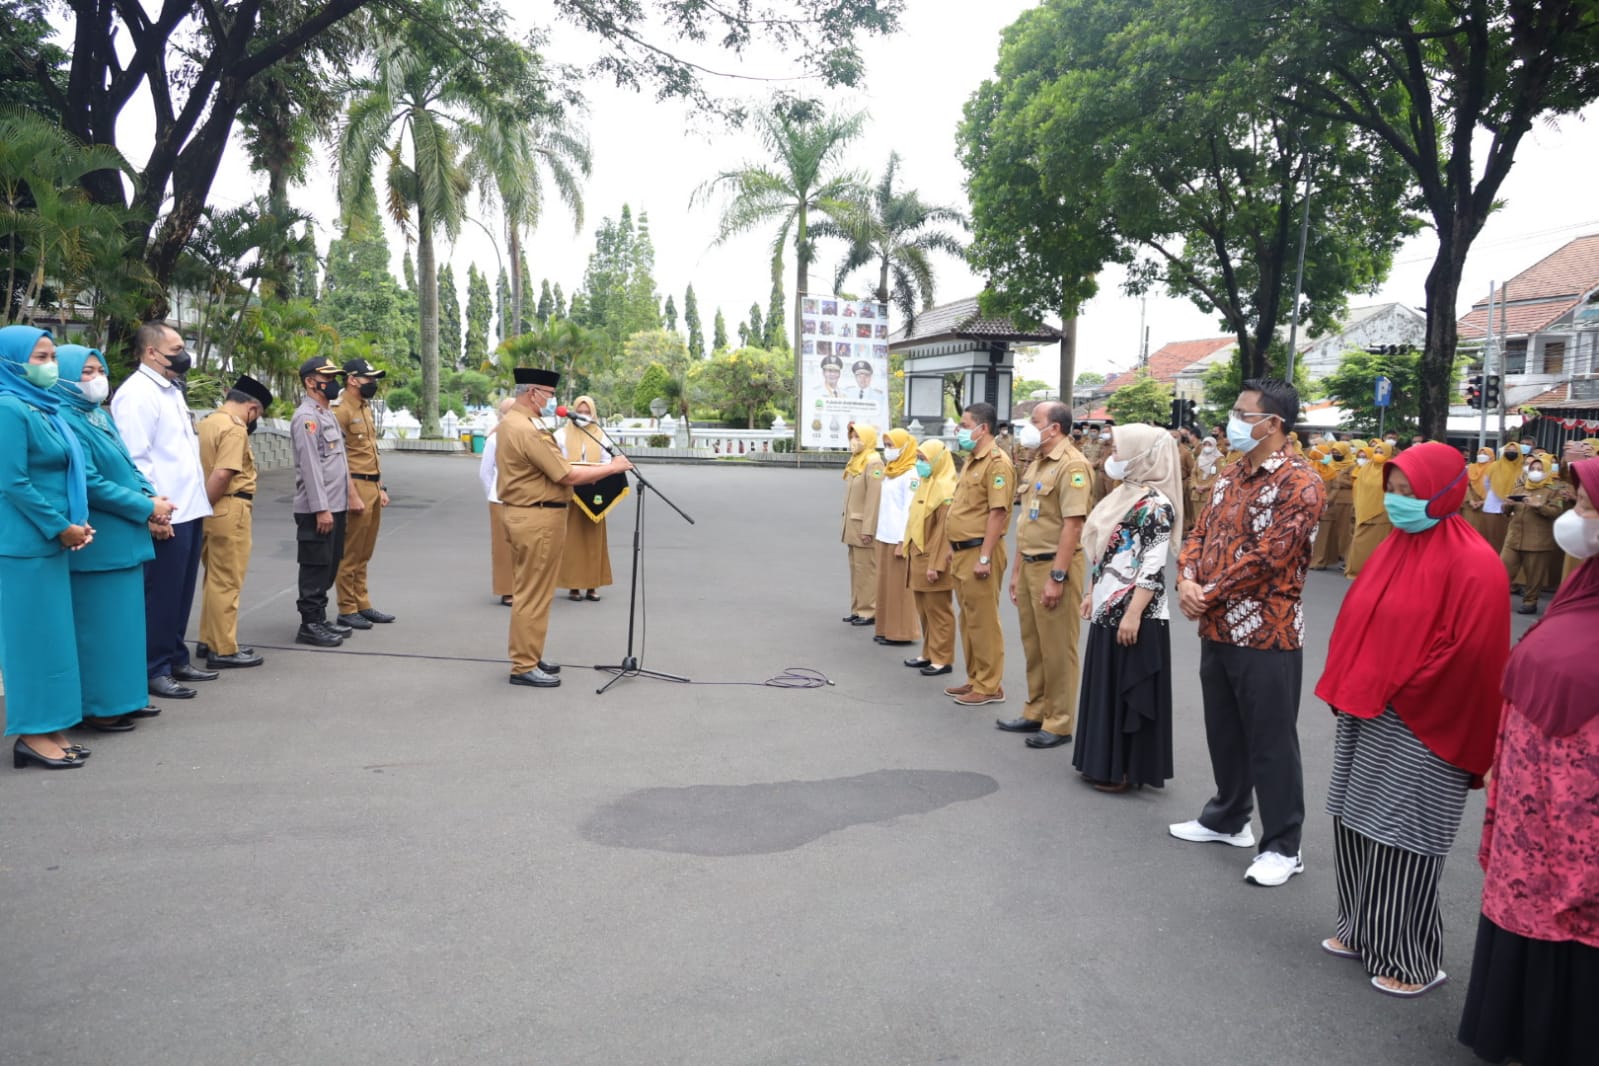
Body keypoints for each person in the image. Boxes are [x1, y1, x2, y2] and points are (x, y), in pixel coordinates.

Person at [1315, 443, 1510, 997]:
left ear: (1446, 493)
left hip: (1424, 719)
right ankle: (1360, 929)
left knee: (1405, 832)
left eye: (1412, 493)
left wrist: (1395, 688)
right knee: (1353, 820)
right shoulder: (1396, 545)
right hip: (1368, 707)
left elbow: (1469, 654)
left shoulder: (1476, 564)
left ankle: (1413, 957)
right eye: (1395, 492)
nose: (1401, 503)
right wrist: (1357, 680)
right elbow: (1358, 620)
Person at [1458, 455, 1599, 1064]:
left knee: (1569, 917)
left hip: (1579, 823)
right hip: (1533, 807)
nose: (1577, 516)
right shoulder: (1583, 585)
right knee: (1529, 906)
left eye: (1588, 506)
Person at [1171, 378, 1326, 887]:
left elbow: (1270, 557)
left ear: (1273, 423)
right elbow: (1200, 531)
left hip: (1266, 631)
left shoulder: (1300, 483)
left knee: (1271, 740)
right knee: (1225, 729)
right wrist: (1187, 577)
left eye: (1243, 413)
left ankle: (1284, 845)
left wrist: (1206, 591)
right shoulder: (1229, 474)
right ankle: (1228, 817)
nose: (1233, 420)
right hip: (1217, 625)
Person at [56, 344, 175, 730]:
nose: (95, 380)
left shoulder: (97, 416)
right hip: (100, 541)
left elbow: (128, 464)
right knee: (100, 631)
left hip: (125, 539)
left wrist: (149, 494)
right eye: (85, 373)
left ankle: (127, 698)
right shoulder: (63, 418)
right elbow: (90, 482)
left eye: (98, 370)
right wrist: (145, 507)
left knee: (125, 629)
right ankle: (100, 707)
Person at [497, 367, 631, 688]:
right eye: (548, 394)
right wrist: (611, 468)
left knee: (534, 591)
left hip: (528, 515)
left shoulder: (513, 423)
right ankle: (524, 664)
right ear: (532, 393)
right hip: (537, 518)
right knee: (534, 593)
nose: (551, 401)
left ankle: (529, 654)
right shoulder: (528, 429)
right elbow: (565, 475)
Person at [0, 325, 91, 768]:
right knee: (30, 642)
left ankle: (51, 725)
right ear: (13, 361)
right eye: (39, 357)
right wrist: (60, 527)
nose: (49, 365)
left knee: (54, 641)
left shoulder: (42, 407)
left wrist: (74, 523)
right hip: (24, 546)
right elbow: (13, 482)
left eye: (52, 356)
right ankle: (30, 735)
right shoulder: (8, 408)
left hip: (50, 541)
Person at [1072, 423, 1182, 790]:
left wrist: (1134, 614)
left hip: (1136, 614)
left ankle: (1124, 770)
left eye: (1119, 451)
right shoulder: (1126, 495)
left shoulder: (1156, 505)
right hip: (1108, 604)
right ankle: (1102, 762)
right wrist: (1091, 591)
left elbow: (1152, 566)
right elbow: (1105, 552)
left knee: (1127, 689)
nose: (1111, 458)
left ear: (1142, 456)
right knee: (1106, 685)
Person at [111, 320, 215, 700]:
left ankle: (174, 656)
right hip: (165, 512)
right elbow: (135, 460)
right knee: (160, 594)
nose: (183, 355)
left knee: (181, 592)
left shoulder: (169, 389)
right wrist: (152, 511)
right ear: (151, 352)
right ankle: (152, 668)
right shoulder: (137, 394)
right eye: (175, 349)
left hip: (188, 507)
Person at [996, 401, 1092, 747]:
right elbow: (1029, 522)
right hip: (1031, 565)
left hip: (1055, 566)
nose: (1028, 426)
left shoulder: (1072, 466)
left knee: (1057, 648)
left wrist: (1058, 576)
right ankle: (1035, 709)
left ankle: (1059, 722)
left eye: (1034, 421)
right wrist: (1016, 571)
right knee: (1034, 645)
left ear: (1054, 428)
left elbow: (1073, 526)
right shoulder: (1038, 462)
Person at [196, 375, 270, 668]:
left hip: (210, 510)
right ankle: (223, 648)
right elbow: (223, 474)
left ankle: (208, 639)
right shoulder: (234, 429)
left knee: (213, 579)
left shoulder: (207, 423)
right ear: (251, 408)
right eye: (258, 414)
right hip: (229, 507)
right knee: (227, 581)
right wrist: (206, 505)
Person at [944, 402, 1015, 707]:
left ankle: (989, 685)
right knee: (969, 619)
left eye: (964, 424)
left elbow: (997, 514)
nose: (959, 430)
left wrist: (985, 557)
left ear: (982, 428)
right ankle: (976, 677)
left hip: (979, 551)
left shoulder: (997, 463)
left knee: (983, 620)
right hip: (963, 551)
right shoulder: (973, 460)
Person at [291, 356, 354, 648]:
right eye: (326, 378)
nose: (332, 383)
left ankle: (320, 618)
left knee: (329, 563)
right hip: (319, 508)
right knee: (315, 564)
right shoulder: (307, 417)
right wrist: (321, 508)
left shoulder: (326, 414)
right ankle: (310, 624)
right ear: (310, 382)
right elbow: (311, 466)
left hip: (336, 504)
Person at [334, 357, 394, 631]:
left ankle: (363, 604)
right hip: (355, 486)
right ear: (352, 379)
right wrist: (350, 494)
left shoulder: (365, 408)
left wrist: (380, 487)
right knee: (351, 551)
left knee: (365, 550)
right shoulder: (341, 409)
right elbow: (338, 457)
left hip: (371, 485)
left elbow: (369, 451)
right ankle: (347, 608)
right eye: (369, 378)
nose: (373, 383)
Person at [904, 438, 956, 677]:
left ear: (937, 460)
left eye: (923, 459)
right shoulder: (926, 483)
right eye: (918, 458)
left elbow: (942, 533)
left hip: (934, 560)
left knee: (939, 612)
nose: (919, 463)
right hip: (918, 556)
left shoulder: (946, 489)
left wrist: (936, 564)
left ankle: (942, 658)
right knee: (924, 610)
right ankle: (928, 653)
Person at [1499, 450, 1572, 614]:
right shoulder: (1520, 487)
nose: (1535, 472)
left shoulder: (1554, 489)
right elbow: (1505, 511)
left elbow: (1556, 512)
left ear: (1546, 471)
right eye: (1533, 468)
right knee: (1502, 570)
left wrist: (1539, 506)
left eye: (1540, 469)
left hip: (1538, 541)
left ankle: (1530, 602)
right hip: (1514, 538)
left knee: (1534, 576)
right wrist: (1507, 504)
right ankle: (1496, 599)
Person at [558, 395, 615, 603]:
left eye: (586, 412)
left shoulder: (601, 435)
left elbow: (607, 462)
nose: (583, 416)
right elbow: (557, 461)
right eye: (579, 412)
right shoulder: (561, 434)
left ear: (593, 413)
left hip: (594, 494)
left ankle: (592, 586)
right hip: (571, 493)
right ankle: (573, 586)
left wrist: (594, 474)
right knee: (572, 541)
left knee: (593, 542)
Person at [871, 427, 921, 647]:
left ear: (904, 447)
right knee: (885, 586)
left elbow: (909, 509)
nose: (888, 449)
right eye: (886, 445)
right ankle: (884, 628)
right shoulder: (891, 470)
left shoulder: (911, 473)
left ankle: (901, 632)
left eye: (892, 445)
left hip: (898, 538)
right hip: (885, 535)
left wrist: (903, 540)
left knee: (900, 588)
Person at [840, 422, 883, 626]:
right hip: (852, 525)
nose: (853, 441)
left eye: (858, 437)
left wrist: (869, 528)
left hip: (863, 527)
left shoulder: (873, 462)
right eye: (852, 436)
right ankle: (857, 608)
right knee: (856, 569)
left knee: (867, 570)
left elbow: (873, 500)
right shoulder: (857, 460)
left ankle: (869, 611)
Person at [480, 397, 518, 606]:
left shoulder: (529, 435)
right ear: (500, 415)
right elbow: (485, 472)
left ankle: (524, 588)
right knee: (503, 548)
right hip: (500, 499)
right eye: (507, 412)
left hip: (524, 499)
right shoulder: (494, 439)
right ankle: (506, 590)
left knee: (524, 546)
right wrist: (493, 494)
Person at [1343, 441, 1394, 578]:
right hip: (1363, 511)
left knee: (1378, 546)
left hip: (1382, 513)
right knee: (1359, 542)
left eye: (1381, 452)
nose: (1378, 455)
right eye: (1376, 452)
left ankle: (1375, 573)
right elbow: (1358, 490)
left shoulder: (1391, 471)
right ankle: (1355, 570)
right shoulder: (1365, 469)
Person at [1309, 443, 1356, 571]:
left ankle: (1320, 560)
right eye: (1328, 453)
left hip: (1329, 506)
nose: (1331, 456)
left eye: (1333, 453)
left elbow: (1336, 486)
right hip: (1310, 505)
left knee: (1325, 535)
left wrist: (1327, 500)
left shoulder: (1331, 470)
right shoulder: (1307, 468)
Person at [1478, 441, 1524, 553]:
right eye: (1509, 450)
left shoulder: (1523, 469)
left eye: (1514, 451)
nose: (1511, 452)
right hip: (1493, 507)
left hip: (1514, 508)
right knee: (1492, 539)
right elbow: (1487, 483)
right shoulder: (1494, 466)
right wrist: (1499, 493)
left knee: (1507, 540)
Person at [1461, 445, 1493, 539]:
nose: (1482, 455)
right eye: (1480, 453)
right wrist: (1470, 500)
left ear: (1491, 456)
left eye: (1485, 454)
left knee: (1483, 536)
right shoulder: (1469, 468)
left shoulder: (1494, 469)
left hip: (1486, 506)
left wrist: (1483, 502)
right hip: (1470, 505)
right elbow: (1464, 485)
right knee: (1468, 534)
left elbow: (1496, 488)